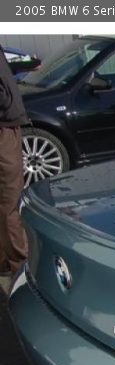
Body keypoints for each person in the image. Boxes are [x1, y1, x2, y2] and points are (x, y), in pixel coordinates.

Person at [0, 44, 28, 280]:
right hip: (2, 128)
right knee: (10, 199)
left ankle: (5, 260)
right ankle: (20, 266)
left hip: (7, 125)